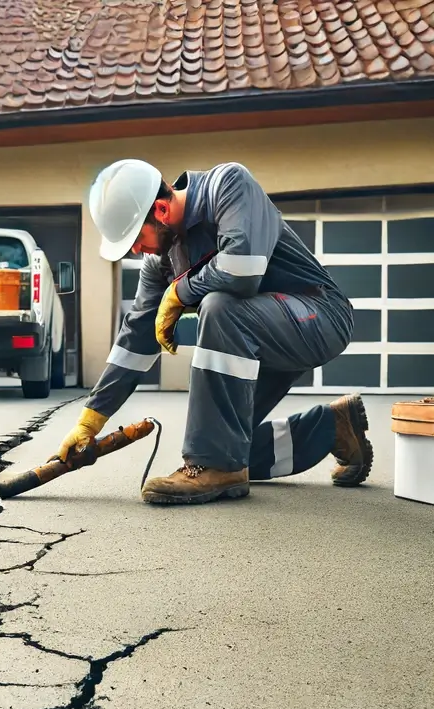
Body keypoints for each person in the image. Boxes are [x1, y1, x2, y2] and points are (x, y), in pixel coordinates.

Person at [56, 158, 372, 505]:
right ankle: (334, 428)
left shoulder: (227, 185)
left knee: (219, 306)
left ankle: (210, 466)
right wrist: (90, 420)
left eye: (135, 237)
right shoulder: (161, 260)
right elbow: (136, 338)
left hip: (319, 315)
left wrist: (180, 291)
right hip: (261, 336)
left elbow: (242, 268)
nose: (135, 250)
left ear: (161, 209)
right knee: (232, 443)